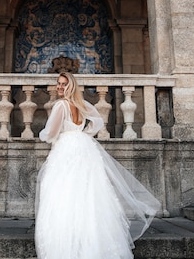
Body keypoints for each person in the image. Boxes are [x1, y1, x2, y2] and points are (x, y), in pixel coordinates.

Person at [35, 72, 161, 259]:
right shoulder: (82, 104)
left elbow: (51, 132)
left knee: (65, 192)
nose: (59, 87)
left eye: (63, 84)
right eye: (58, 84)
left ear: (71, 86)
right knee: (88, 194)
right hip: (83, 146)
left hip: (67, 148)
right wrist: (83, 133)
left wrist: (44, 135)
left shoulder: (61, 105)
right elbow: (98, 121)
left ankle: (69, 245)